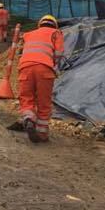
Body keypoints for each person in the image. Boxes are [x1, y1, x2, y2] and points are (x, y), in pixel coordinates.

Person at [14, 14, 65, 143]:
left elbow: (21, 52)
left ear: (40, 24)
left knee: (26, 97)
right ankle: (42, 133)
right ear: (54, 25)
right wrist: (53, 64)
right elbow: (59, 53)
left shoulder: (29, 34)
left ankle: (29, 119)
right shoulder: (56, 33)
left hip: (25, 68)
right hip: (44, 69)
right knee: (44, 101)